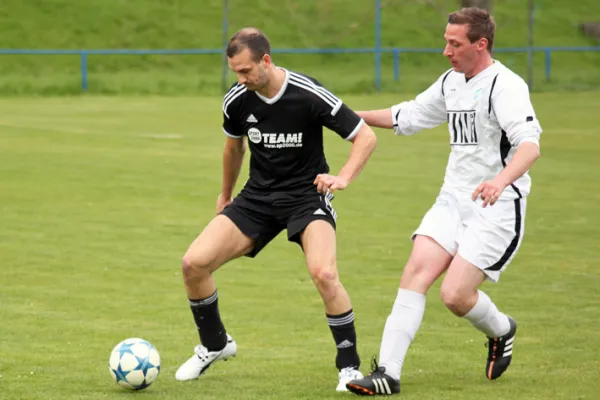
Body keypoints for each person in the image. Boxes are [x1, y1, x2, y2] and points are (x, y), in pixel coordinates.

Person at [346, 7, 542, 396]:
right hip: (453, 198)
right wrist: (344, 116)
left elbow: (530, 146)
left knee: (454, 296)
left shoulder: (506, 85)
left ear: (480, 44)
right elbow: (410, 115)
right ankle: (387, 372)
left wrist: (500, 182)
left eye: (455, 44)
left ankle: (502, 328)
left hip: (496, 205)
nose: (446, 51)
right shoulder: (452, 81)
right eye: (446, 41)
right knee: (415, 272)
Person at [174, 27, 377, 392]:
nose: (241, 79)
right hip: (257, 198)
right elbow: (233, 149)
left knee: (325, 274)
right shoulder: (237, 100)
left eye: (246, 71)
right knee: (193, 263)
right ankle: (215, 344)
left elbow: (365, 135)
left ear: (266, 61)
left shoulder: (307, 93)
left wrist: (343, 177)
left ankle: (348, 368)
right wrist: (225, 195)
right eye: (235, 71)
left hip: (306, 196)